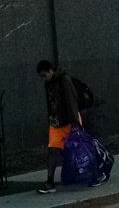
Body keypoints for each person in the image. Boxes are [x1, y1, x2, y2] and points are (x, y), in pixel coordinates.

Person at [36, 59, 83, 194]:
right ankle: (50, 181)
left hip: (68, 121)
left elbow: (71, 100)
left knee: (78, 149)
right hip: (56, 123)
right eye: (42, 77)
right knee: (52, 151)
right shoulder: (49, 84)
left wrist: (75, 122)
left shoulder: (64, 80)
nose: (44, 79)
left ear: (51, 71)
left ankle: (93, 171)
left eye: (45, 75)